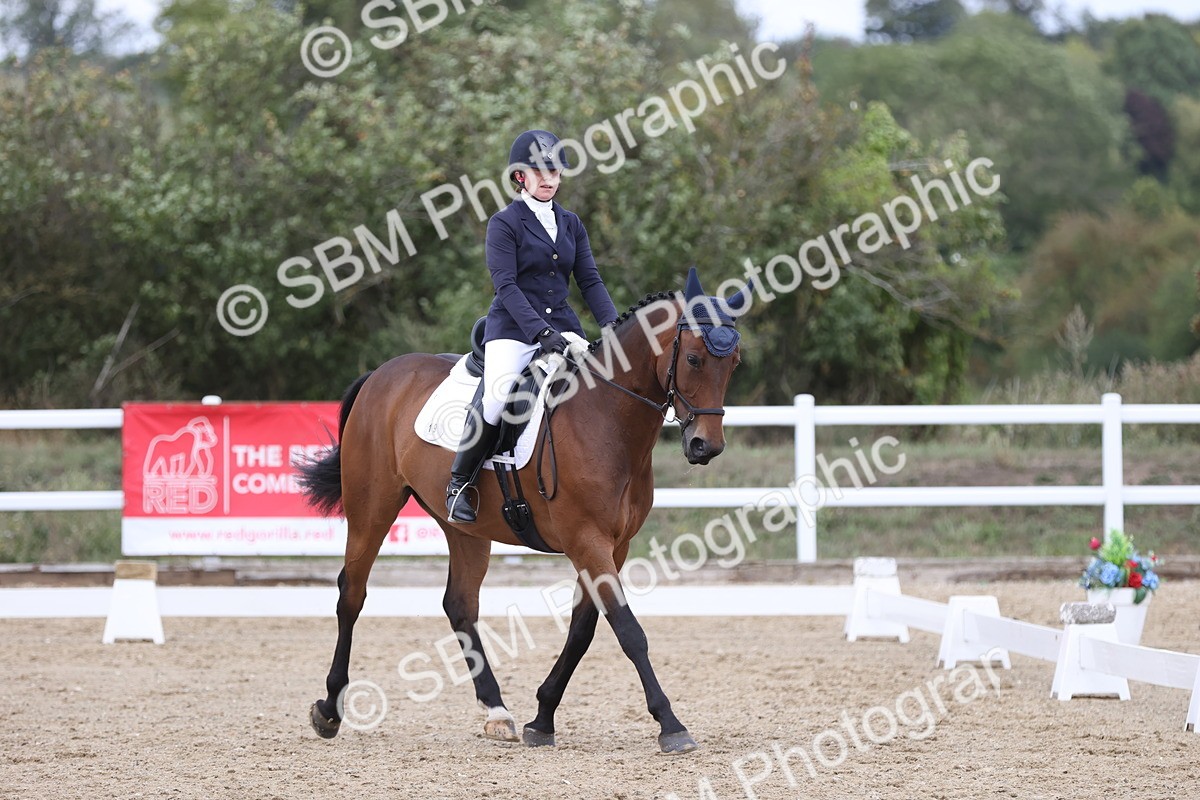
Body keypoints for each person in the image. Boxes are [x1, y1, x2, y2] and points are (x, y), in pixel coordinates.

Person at [445, 129, 619, 523]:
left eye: (554, 170)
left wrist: (612, 325)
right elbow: (505, 285)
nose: (548, 178)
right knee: (497, 395)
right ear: (520, 176)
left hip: (564, 329)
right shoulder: (504, 223)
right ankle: (459, 483)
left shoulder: (571, 223)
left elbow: (589, 280)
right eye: (538, 170)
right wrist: (540, 333)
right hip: (513, 330)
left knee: (598, 389)